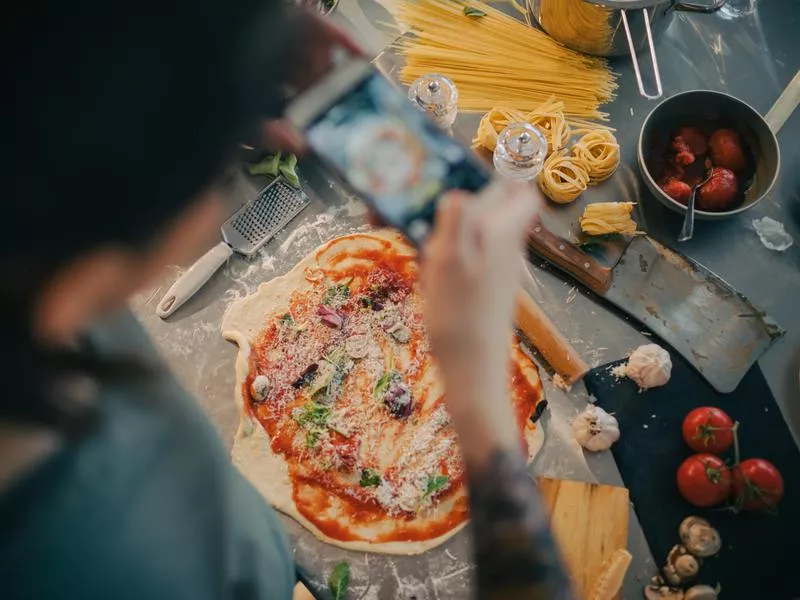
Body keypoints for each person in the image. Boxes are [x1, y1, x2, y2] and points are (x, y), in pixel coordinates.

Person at [1, 2, 574, 599]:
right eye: (223, 160)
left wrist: (213, 45)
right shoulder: (115, 562)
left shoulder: (38, 247)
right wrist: (480, 400)